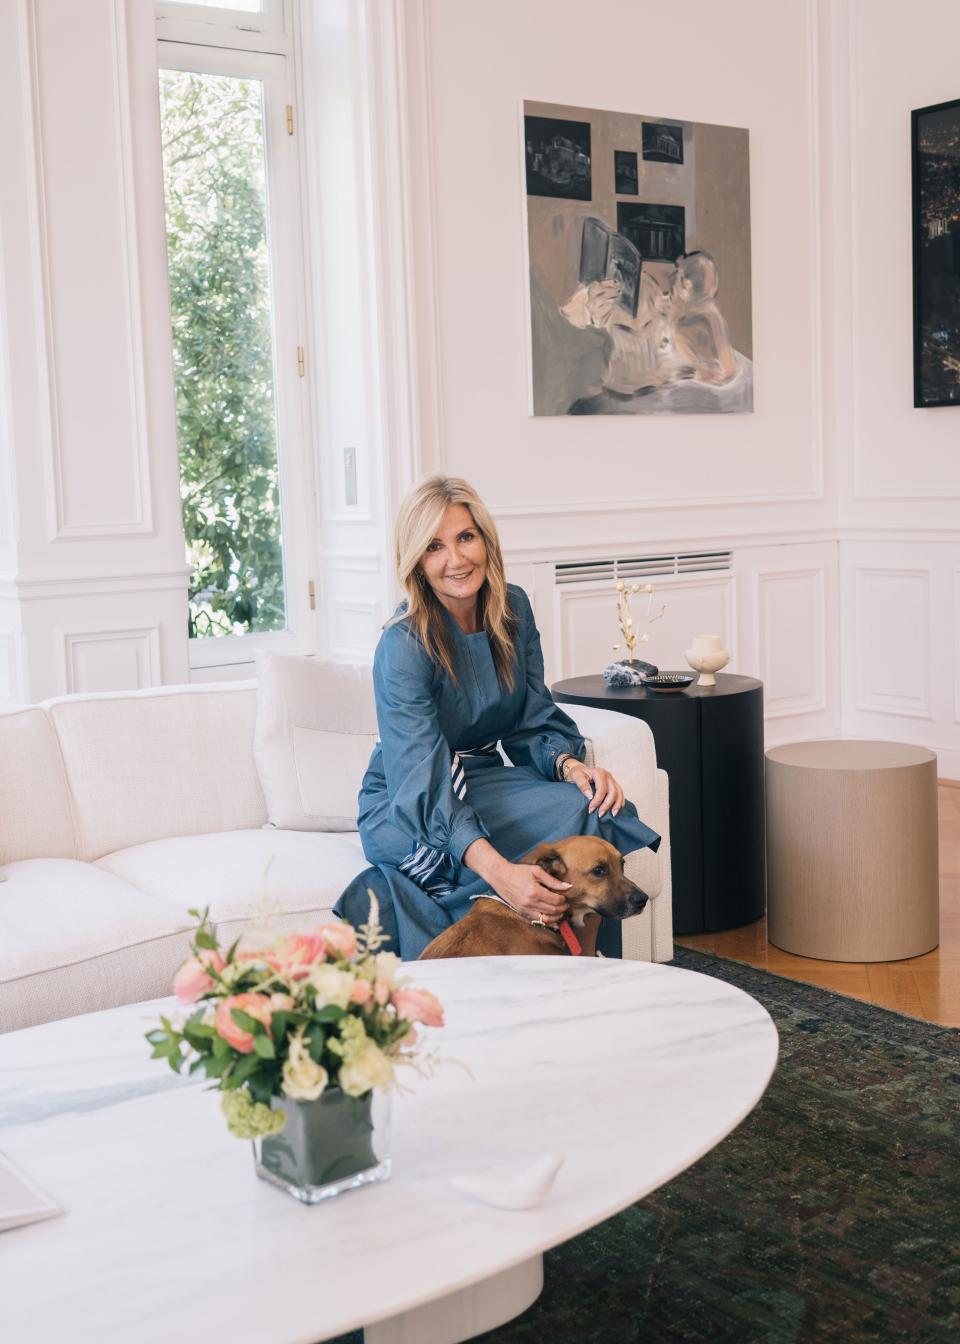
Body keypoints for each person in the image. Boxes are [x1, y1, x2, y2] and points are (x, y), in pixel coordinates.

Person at [334, 476, 660, 958]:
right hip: (409, 801)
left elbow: (533, 719)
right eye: (434, 546)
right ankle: (451, 942)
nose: (456, 559)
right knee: (472, 856)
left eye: (466, 537)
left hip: (482, 779)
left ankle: (586, 966)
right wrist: (503, 876)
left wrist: (574, 769)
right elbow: (421, 779)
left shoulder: (514, 607)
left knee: (590, 809)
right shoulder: (402, 645)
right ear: (417, 562)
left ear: (486, 539)